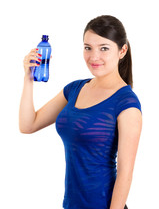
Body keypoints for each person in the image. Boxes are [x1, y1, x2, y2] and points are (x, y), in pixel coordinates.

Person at [19, 15, 142, 209]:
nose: (94, 57)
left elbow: (125, 173)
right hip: (71, 204)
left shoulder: (126, 102)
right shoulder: (74, 89)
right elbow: (28, 125)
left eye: (104, 48)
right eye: (88, 48)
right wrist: (28, 78)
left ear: (122, 50)